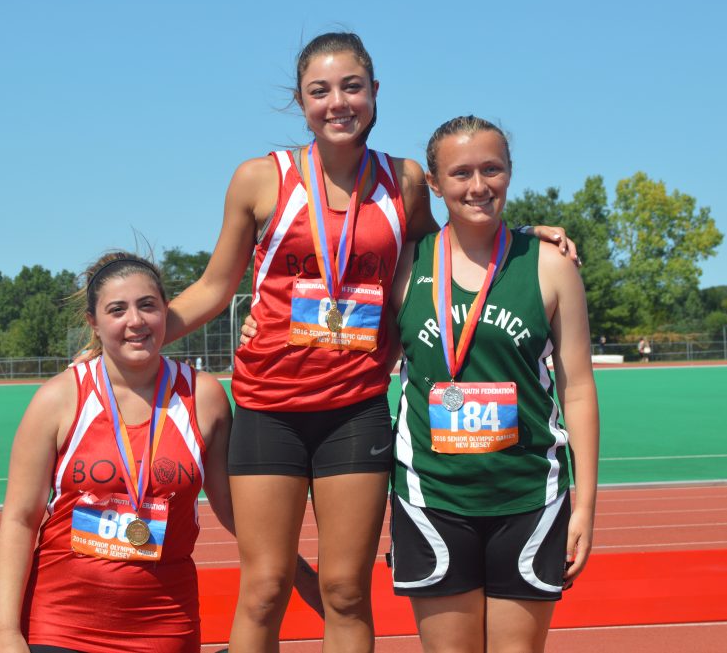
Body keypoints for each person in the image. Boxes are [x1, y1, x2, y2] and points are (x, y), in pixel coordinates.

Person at [164, 32, 577, 653]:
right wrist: (135, 334)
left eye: (352, 87)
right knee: (266, 588)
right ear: (301, 102)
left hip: (354, 410)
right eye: (320, 91)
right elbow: (213, 288)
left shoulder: (404, 181)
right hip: (268, 407)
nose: (338, 102)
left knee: (345, 591)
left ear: (375, 92)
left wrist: (522, 239)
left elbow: (453, 249)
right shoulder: (259, 179)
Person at [0, 253, 318, 653]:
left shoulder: (204, 398)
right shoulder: (59, 399)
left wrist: (308, 581)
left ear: (166, 310)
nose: (135, 321)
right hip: (61, 627)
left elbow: (239, 515)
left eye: (147, 305)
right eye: (117, 310)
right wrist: (5, 633)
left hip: (166, 629)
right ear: (93, 322)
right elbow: (20, 519)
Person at [388, 115, 599, 653]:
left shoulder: (551, 265)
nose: (478, 185)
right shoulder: (406, 265)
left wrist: (586, 505)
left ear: (510, 171)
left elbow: (577, 389)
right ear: (434, 184)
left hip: (529, 496)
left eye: (492, 169)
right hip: (431, 496)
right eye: (460, 173)